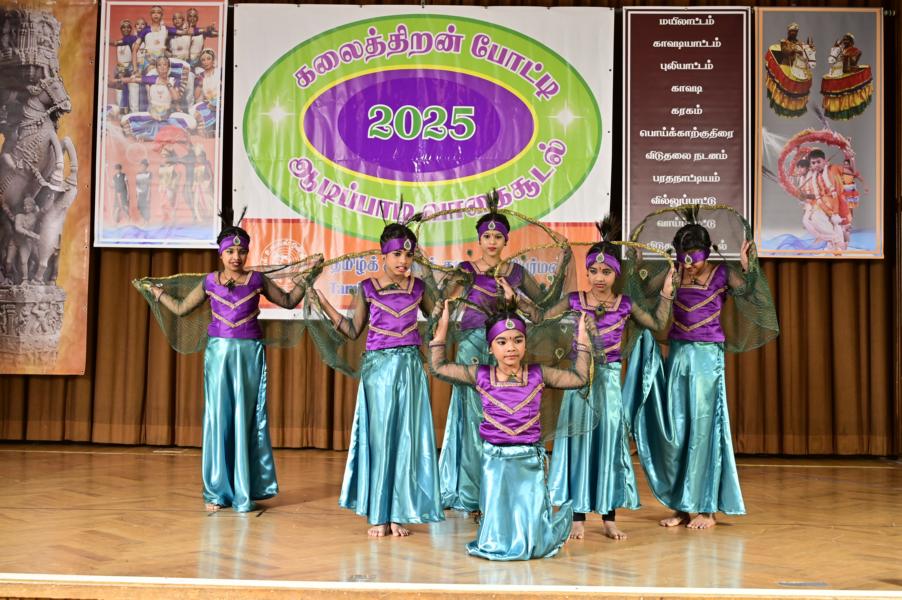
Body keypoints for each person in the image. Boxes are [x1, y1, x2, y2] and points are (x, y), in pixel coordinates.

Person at [142, 222, 321, 512]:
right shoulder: (209, 282)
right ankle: (216, 491)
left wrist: (307, 279)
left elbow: (289, 302)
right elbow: (182, 308)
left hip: (249, 354)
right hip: (219, 356)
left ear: (247, 253)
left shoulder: (257, 280)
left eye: (241, 251)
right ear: (221, 254)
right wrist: (158, 293)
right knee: (219, 417)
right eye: (230, 252)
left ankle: (244, 489)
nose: (236, 257)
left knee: (247, 418)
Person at [515, 216, 675, 541]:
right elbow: (541, 317)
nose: (599, 278)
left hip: (609, 383)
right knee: (578, 443)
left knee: (608, 444)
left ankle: (608, 517)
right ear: (586, 272)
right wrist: (515, 297)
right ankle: (577, 516)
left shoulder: (625, 305)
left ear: (616, 274)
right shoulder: (575, 300)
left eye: (606, 272)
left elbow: (658, 325)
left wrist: (667, 293)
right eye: (593, 271)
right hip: (579, 383)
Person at [628, 206, 778, 530]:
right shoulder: (673, 273)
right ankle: (683, 505)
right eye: (683, 257)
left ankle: (706, 508)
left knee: (703, 430)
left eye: (694, 258)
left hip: (708, 359)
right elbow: (642, 295)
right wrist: (636, 268)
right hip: (678, 356)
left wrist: (748, 267)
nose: (689, 265)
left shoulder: (722, 273)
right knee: (678, 431)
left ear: (707, 251)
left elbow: (750, 294)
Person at [429, 302, 591, 560]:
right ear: (490, 348)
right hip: (495, 462)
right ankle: (497, 543)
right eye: (502, 342)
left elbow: (580, 378)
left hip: (529, 461)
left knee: (529, 513)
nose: (511, 348)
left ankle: (530, 542)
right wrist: (443, 327)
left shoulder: (538, 374)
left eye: (517, 340)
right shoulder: (480, 375)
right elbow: (438, 367)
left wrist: (583, 339)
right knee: (498, 512)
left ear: (525, 344)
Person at [313, 222, 444, 537]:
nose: (403, 261)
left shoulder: (418, 288)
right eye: (397, 255)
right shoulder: (367, 288)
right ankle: (378, 512)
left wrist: (444, 299)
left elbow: (437, 318)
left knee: (407, 439)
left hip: (410, 369)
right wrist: (324, 304)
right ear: (382, 255)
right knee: (381, 439)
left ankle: (399, 512)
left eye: (408, 256)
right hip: (378, 371)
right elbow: (352, 330)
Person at [438, 205, 558, 517]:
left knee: (502, 419)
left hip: (506, 352)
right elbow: (441, 302)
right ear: (479, 240)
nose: (492, 242)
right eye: (486, 236)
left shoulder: (516, 273)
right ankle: (473, 494)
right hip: (472, 348)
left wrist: (515, 301)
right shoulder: (465, 270)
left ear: (507, 241)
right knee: (474, 420)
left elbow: (543, 311)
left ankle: (500, 491)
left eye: (498, 237)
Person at [135, 158, 152, 224]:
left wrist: (148, 195)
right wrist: (137, 194)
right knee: (140, 207)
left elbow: (149, 185)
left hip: (146, 192)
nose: (143, 166)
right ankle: (144, 220)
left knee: (146, 207)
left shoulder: (149, 174)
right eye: (142, 165)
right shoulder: (138, 174)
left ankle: (146, 221)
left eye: (145, 165)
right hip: (139, 193)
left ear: (146, 166)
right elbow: (137, 184)